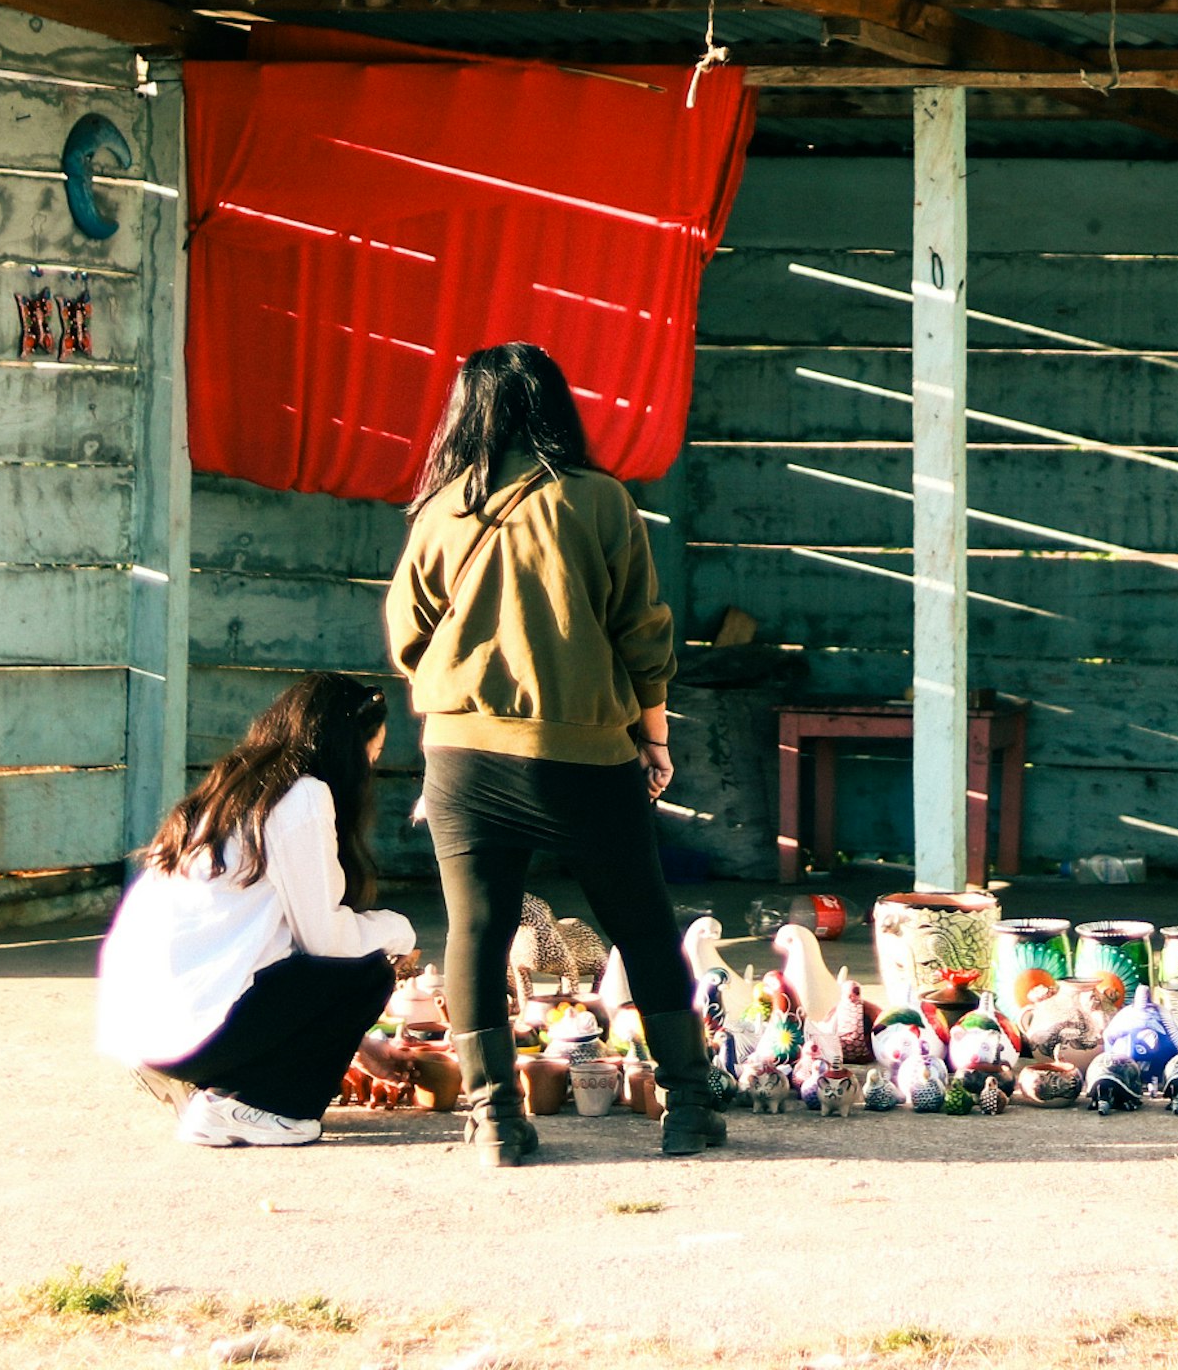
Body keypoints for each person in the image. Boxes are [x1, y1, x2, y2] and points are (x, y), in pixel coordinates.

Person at [384, 340, 727, 1164]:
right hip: (581, 754)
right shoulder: (599, 502)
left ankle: (496, 1119)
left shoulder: (439, 512)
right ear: (554, 408)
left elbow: (407, 639)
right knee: (642, 923)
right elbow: (642, 631)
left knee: (475, 927)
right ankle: (686, 1112)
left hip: (462, 754)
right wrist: (654, 736)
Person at [95, 671, 420, 1148]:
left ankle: (208, 1087)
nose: (371, 769)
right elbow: (324, 942)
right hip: (192, 1036)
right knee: (366, 973)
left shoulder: (236, 786)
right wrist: (399, 931)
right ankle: (250, 1108)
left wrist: (356, 1044)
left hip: (145, 1035)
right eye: (371, 755)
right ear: (347, 749)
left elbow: (270, 952)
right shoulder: (303, 796)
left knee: (339, 968)